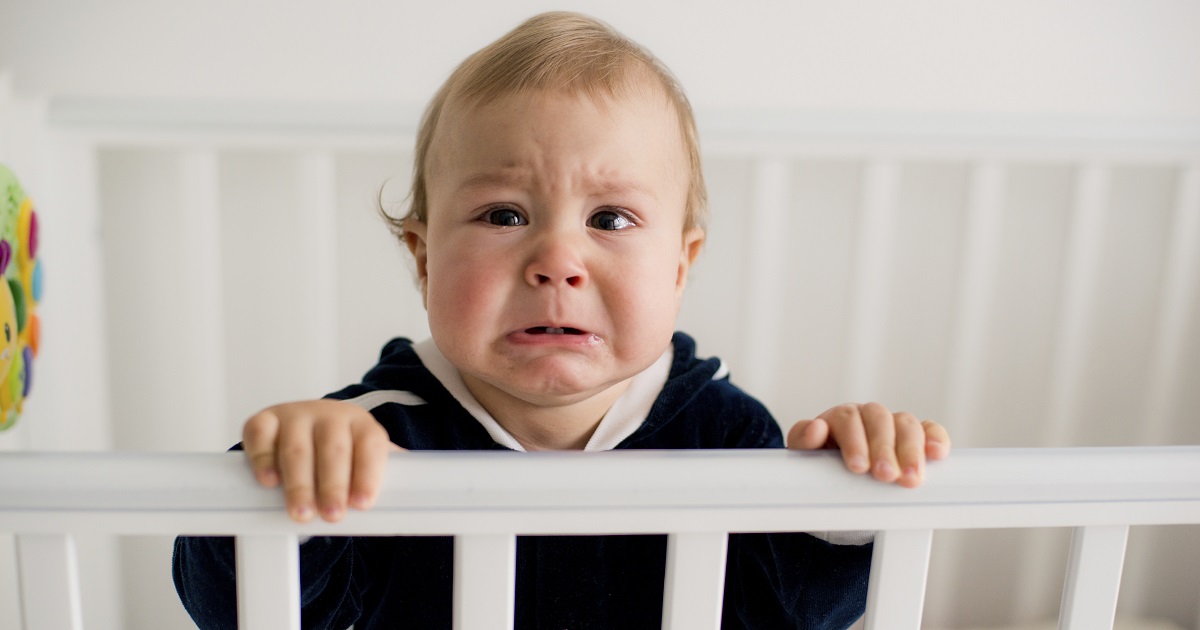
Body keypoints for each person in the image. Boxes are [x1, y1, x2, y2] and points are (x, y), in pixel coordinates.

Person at [173, 11, 950, 629]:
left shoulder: (724, 437)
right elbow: (235, 606)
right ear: (422, 258)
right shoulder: (373, 441)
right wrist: (282, 476)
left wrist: (851, 500)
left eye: (610, 219)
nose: (557, 259)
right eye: (504, 214)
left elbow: (795, 611)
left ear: (680, 266)